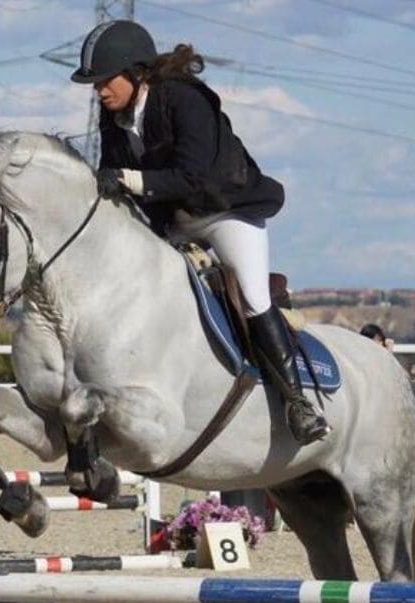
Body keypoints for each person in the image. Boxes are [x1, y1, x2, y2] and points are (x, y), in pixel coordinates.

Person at [70, 20, 327, 445]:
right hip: (173, 220)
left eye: (103, 80)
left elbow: (194, 178)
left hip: (225, 210)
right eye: (94, 84)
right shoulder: (114, 114)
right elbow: (112, 175)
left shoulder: (184, 99)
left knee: (252, 297)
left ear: (135, 71)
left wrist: (130, 180)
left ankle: (298, 404)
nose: (98, 91)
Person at [359, 323, 415, 454]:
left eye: (378, 342)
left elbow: (404, 379)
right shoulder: (362, 363)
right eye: (370, 343)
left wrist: (388, 355)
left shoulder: (388, 360)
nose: (374, 347)